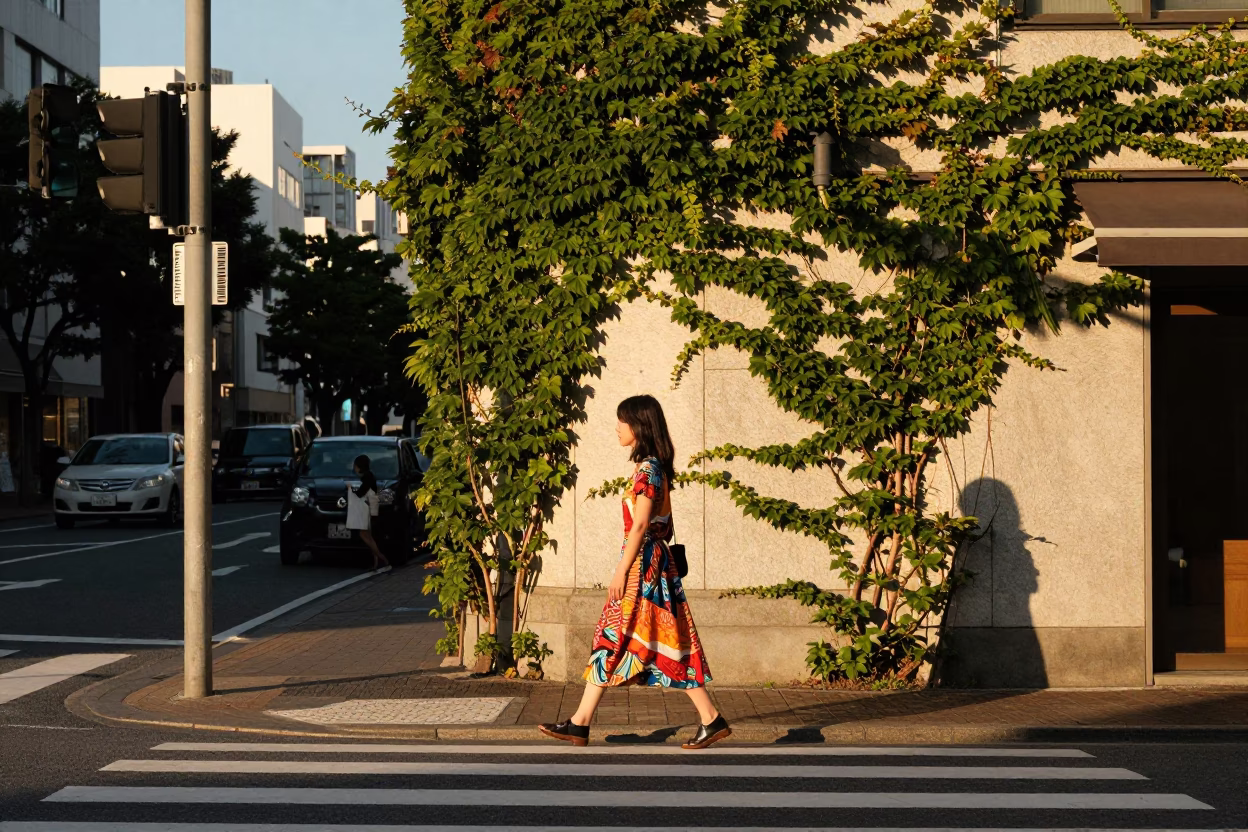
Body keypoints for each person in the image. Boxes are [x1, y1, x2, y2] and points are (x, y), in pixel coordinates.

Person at [539, 394, 729, 750]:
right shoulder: (655, 468)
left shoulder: (648, 470)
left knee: (617, 638)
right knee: (642, 642)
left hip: (642, 566)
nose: (616, 428)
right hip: (653, 565)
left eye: (621, 421)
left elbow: (640, 524)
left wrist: (621, 571)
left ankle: (582, 724)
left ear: (638, 427)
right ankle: (708, 718)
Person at [347, 454, 389, 572]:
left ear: (359, 467)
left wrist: (350, 489)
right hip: (371, 508)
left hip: (368, 508)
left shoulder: (367, 478)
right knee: (369, 536)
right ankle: (376, 562)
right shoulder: (369, 476)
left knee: (364, 534)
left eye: (355, 466)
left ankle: (381, 558)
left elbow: (361, 493)